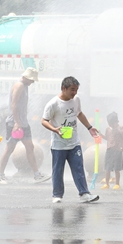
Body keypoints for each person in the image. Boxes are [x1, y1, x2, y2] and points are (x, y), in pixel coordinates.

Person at [40, 76, 101, 204]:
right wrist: (55, 129)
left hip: (74, 142)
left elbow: (79, 113)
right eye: (72, 90)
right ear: (64, 88)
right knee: (58, 170)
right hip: (58, 144)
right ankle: (57, 195)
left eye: (76, 90)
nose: (75, 93)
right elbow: (44, 121)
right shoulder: (53, 104)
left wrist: (89, 127)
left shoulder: (76, 100)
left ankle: (84, 194)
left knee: (78, 168)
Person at [0, 68, 49, 184]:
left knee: (30, 147)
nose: (33, 82)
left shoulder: (24, 86)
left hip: (23, 122)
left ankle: (37, 174)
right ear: (27, 77)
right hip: (15, 123)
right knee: (9, 148)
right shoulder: (19, 86)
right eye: (32, 80)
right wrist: (17, 123)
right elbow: (14, 104)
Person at [101, 112, 123, 190]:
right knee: (107, 168)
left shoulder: (121, 128)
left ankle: (117, 183)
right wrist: (100, 134)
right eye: (109, 123)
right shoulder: (108, 129)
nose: (110, 125)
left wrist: (122, 131)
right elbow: (107, 138)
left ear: (116, 122)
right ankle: (107, 183)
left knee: (117, 168)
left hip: (118, 150)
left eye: (111, 123)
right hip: (109, 149)